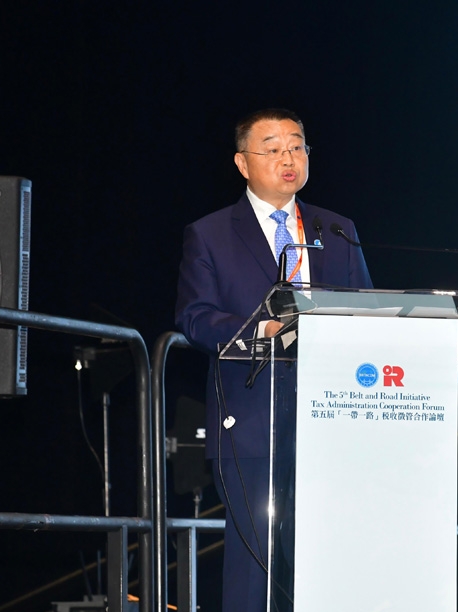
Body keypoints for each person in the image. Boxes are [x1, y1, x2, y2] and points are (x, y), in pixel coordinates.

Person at [175, 108, 372, 612]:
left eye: (297, 146)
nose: (289, 158)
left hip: (334, 415)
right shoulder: (210, 233)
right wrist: (259, 329)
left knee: (328, 563)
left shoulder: (337, 229)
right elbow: (195, 317)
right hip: (252, 419)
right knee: (255, 569)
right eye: (274, 148)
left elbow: (366, 312)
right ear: (243, 163)